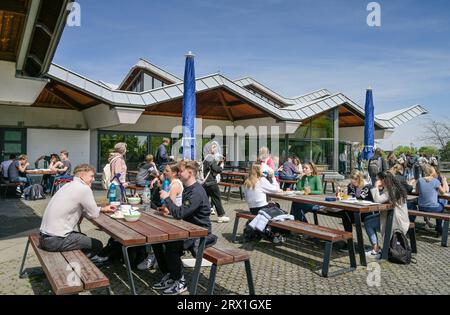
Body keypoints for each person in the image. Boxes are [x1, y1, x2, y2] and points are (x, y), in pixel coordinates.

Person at [154, 160, 216, 295]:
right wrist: (169, 209)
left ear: (190, 173)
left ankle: (179, 281)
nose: (178, 174)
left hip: (201, 233)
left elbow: (180, 213)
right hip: (188, 229)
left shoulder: (196, 192)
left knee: (172, 246)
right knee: (157, 242)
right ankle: (171, 274)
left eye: (181, 171)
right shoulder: (188, 188)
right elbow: (181, 211)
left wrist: (167, 199)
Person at [39, 164, 115, 262]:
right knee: (97, 245)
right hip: (55, 241)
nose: (93, 179)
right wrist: (98, 209)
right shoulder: (84, 188)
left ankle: (84, 259)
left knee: (84, 238)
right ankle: (81, 263)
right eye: (91, 176)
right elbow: (93, 214)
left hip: (44, 236)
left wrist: (101, 209)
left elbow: (78, 207)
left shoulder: (67, 185)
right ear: (81, 176)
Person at [137, 162, 182, 271]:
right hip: (171, 218)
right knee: (147, 223)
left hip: (175, 221)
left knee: (151, 228)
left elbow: (169, 208)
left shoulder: (175, 185)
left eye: (167, 171)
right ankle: (155, 256)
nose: (164, 173)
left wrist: (161, 207)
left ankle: (155, 257)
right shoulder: (170, 183)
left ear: (174, 173)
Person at [364, 172, 410, 258]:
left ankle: (376, 249)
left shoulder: (391, 190)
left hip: (395, 221)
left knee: (368, 223)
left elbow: (378, 200)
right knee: (368, 219)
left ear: (383, 180)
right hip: (396, 217)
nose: (377, 181)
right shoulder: (394, 188)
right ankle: (376, 248)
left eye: (378, 179)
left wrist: (376, 186)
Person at [244, 163, 285, 243]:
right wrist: (273, 177)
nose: (264, 171)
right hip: (262, 209)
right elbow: (276, 189)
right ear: (259, 171)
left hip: (252, 209)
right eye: (262, 170)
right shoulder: (261, 180)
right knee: (278, 209)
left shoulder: (247, 181)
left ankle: (267, 230)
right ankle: (274, 233)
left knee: (273, 205)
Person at [414, 164, 448, 236]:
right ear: (432, 172)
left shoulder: (420, 180)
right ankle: (439, 229)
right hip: (433, 208)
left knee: (438, 204)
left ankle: (432, 225)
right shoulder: (435, 181)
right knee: (442, 205)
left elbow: (416, 192)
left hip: (421, 207)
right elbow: (443, 192)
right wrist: (444, 181)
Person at [202, 143, 230, 223]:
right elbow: (216, 170)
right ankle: (221, 216)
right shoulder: (210, 158)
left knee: (206, 200)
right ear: (210, 149)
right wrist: (221, 166)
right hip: (211, 182)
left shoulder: (205, 158)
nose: (215, 149)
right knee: (217, 198)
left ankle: (204, 216)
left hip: (205, 182)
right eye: (214, 148)